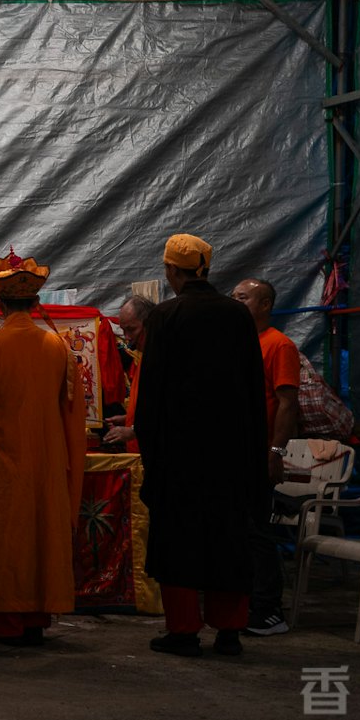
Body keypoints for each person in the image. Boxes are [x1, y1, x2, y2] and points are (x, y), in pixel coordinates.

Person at [134, 235, 268, 658]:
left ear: (173, 271)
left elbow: (151, 392)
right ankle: (229, 632)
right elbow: (252, 388)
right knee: (228, 539)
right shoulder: (237, 316)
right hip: (231, 454)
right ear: (205, 269)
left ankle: (184, 631)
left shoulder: (166, 316)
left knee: (179, 541)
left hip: (179, 455)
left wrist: (150, 452)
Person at [0, 250, 87, 646]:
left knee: (7, 539)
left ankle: (7, 623)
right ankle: (36, 619)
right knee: (42, 534)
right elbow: (73, 410)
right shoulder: (58, 348)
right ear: (37, 303)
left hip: (0, 460)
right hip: (47, 460)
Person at [232, 276, 301, 637]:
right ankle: (245, 602)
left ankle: (269, 609)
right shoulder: (239, 344)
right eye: (234, 297)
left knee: (257, 529)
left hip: (260, 454)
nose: (236, 302)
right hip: (236, 451)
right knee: (239, 529)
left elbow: (288, 403)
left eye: (243, 298)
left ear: (265, 305)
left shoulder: (279, 345)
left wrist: (276, 451)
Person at [101, 294, 155, 451]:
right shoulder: (143, 357)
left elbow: (170, 412)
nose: (127, 338)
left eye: (131, 330)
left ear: (150, 324)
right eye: (124, 331)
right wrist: (128, 419)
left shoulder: (163, 359)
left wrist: (133, 431)